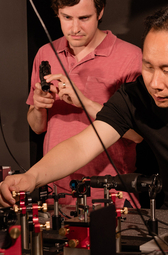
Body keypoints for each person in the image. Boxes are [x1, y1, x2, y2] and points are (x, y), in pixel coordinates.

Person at [0, 4, 168, 210]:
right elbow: (82, 145)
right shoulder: (134, 95)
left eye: (167, 70)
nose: (154, 82)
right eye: (148, 67)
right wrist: (31, 178)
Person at [26, 0, 143, 207]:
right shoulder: (46, 53)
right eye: (67, 18)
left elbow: (137, 134)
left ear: (100, 12)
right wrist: (39, 106)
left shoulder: (130, 57)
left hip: (111, 191)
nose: (75, 28)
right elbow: (37, 127)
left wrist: (85, 103)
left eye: (84, 18)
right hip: (57, 192)